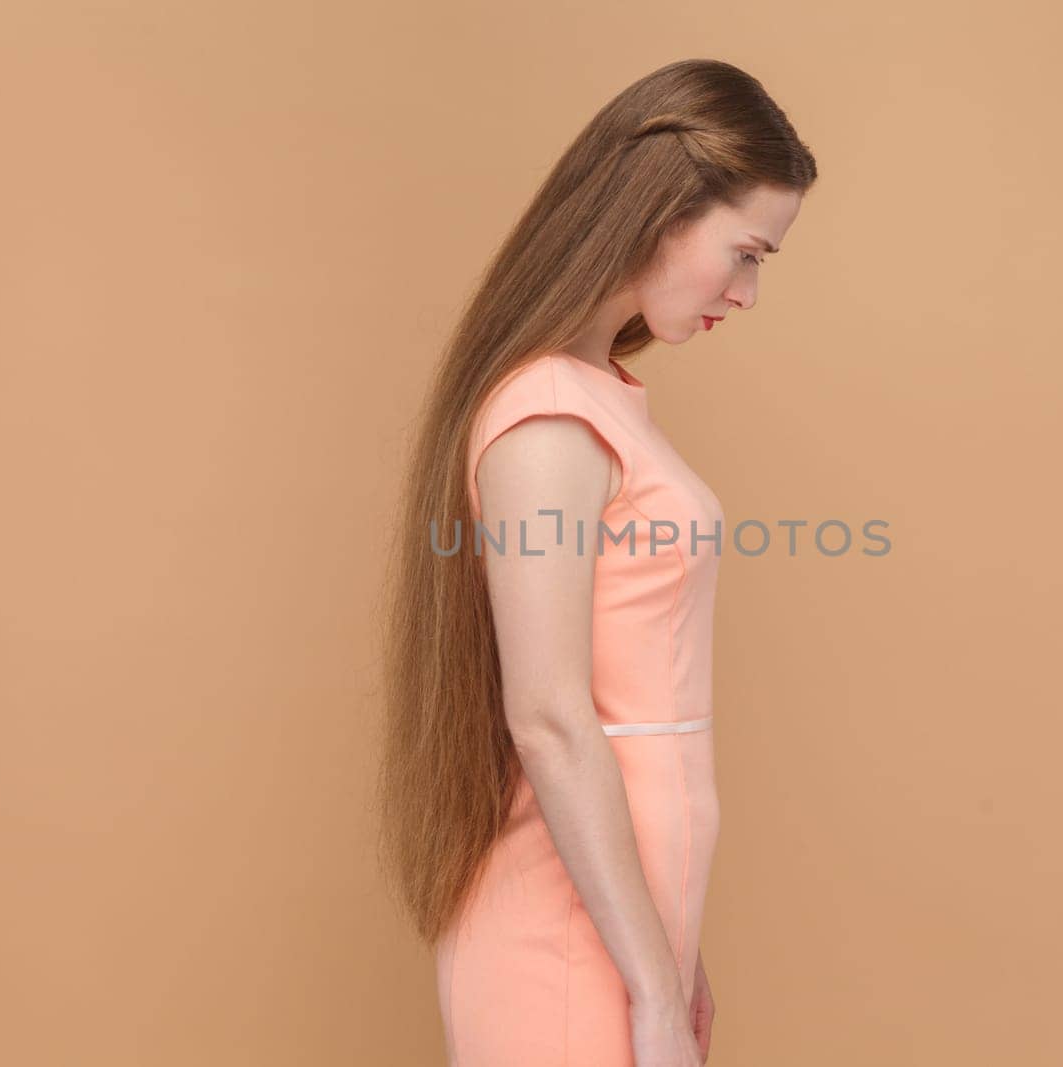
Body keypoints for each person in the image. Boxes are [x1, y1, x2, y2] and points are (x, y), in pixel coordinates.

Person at [379, 58, 815, 1066]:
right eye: (744, 253)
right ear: (660, 210)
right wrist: (653, 989)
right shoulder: (544, 420)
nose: (746, 294)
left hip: (621, 929)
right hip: (565, 944)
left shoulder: (596, 395)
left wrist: (675, 958)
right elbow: (549, 714)